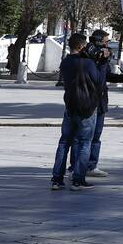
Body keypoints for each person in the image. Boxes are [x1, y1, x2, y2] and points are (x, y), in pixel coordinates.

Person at [51, 33, 104, 191]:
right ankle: (78, 180)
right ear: (81, 46)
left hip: (70, 106)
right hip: (86, 108)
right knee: (84, 143)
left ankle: (57, 179)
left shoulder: (65, 62)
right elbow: (99, 82)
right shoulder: (87, 63)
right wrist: (101, 63)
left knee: (64, 142)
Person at [82, 29, 123, 179]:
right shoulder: (87, 58)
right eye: (106, 42)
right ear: (98, 42)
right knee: (84, 138)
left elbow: (107, 76)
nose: (108, 46)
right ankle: (77, 167)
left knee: (96, 136)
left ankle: (91, 165)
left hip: (101, 101)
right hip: (89, 102)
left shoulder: (103, 60)